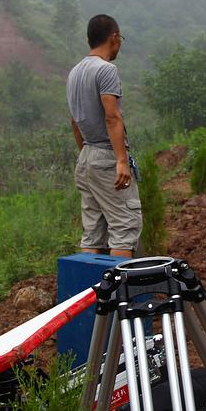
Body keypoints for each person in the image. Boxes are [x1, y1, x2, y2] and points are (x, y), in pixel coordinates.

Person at [66, 14, 142, 257]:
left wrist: (86, 155)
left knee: (93, 231)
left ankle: (88, 282)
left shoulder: (74, 73)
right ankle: (119, 283)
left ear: (89, 40)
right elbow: (112, 116)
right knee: (124, 227)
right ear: (114, 38)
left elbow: (74, 121)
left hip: (86, 156)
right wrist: (121, 160)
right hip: (107, 155)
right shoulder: (106, 70)